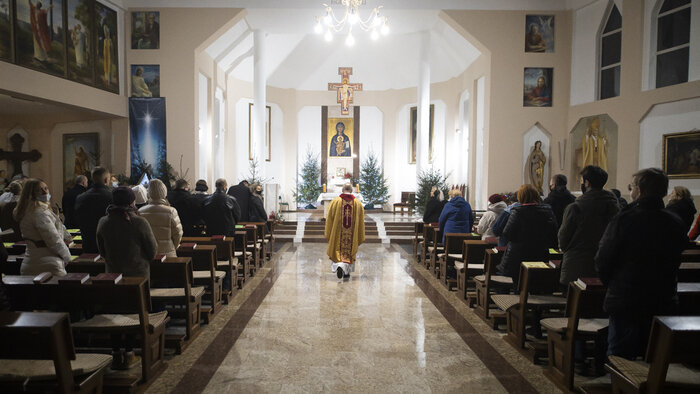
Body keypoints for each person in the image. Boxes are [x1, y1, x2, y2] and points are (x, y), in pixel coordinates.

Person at [595, 168, 688, 359]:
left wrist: (612, 283)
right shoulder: (675, 221)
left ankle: (622, 387)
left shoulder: (625, 219)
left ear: (639, 190)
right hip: (662, 296)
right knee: (654, 354)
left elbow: (603, 259)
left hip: (627, 297)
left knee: (620, 355)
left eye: (632, 186)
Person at [558, 166, 619, 289]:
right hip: (604, 264)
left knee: (574, 305)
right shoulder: (614, 207)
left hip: (577, 264)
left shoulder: (575, 207)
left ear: (587, 183)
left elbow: (563, 237)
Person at [497, 184, 558, 285]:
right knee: (535, 283)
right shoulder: (548, 212)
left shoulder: (518, 212)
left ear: (521, 197)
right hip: (540, 253)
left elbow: (507, 234)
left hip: (519, 255)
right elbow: (553, 233)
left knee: (519, 284)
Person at [14, 179, 72, 276]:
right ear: (31, 194)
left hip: (32, 261)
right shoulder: (39, 213)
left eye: (46, 188)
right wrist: (67, 257)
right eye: (40, 190)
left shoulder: (27, 210)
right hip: (47, 265)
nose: (45, 192)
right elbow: (53, 239)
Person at [97, 187, 157, 278]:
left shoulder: (103, 222)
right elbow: (152, 250)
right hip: (138, 273)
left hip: (113, 273)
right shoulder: (140, 222)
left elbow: (102, 251)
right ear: (132, 202)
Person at [325, 183, 365, 278]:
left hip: (338, 234)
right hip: (351, 236)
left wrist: (330, 233)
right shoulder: (358, 203)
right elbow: (360, 222)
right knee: (349, 252)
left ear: (342, 190)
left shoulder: (335, 202)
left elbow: (329, 218)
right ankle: (347, 272)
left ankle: (339, 265)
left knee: (338, 250)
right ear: (352, 191)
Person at [138, 179, 182, 258]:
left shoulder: (140, 211)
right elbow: (178, 234)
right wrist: (173, 248)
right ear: (164, 193)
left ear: (149, 193)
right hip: (168, 255)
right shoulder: (171, 211)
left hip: (148, 256)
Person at [74, 167, 112, 253]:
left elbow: (78, 218)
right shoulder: (112, 197)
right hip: (107, 244)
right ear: (106, 180)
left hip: (88, 243)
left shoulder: (80, 198)